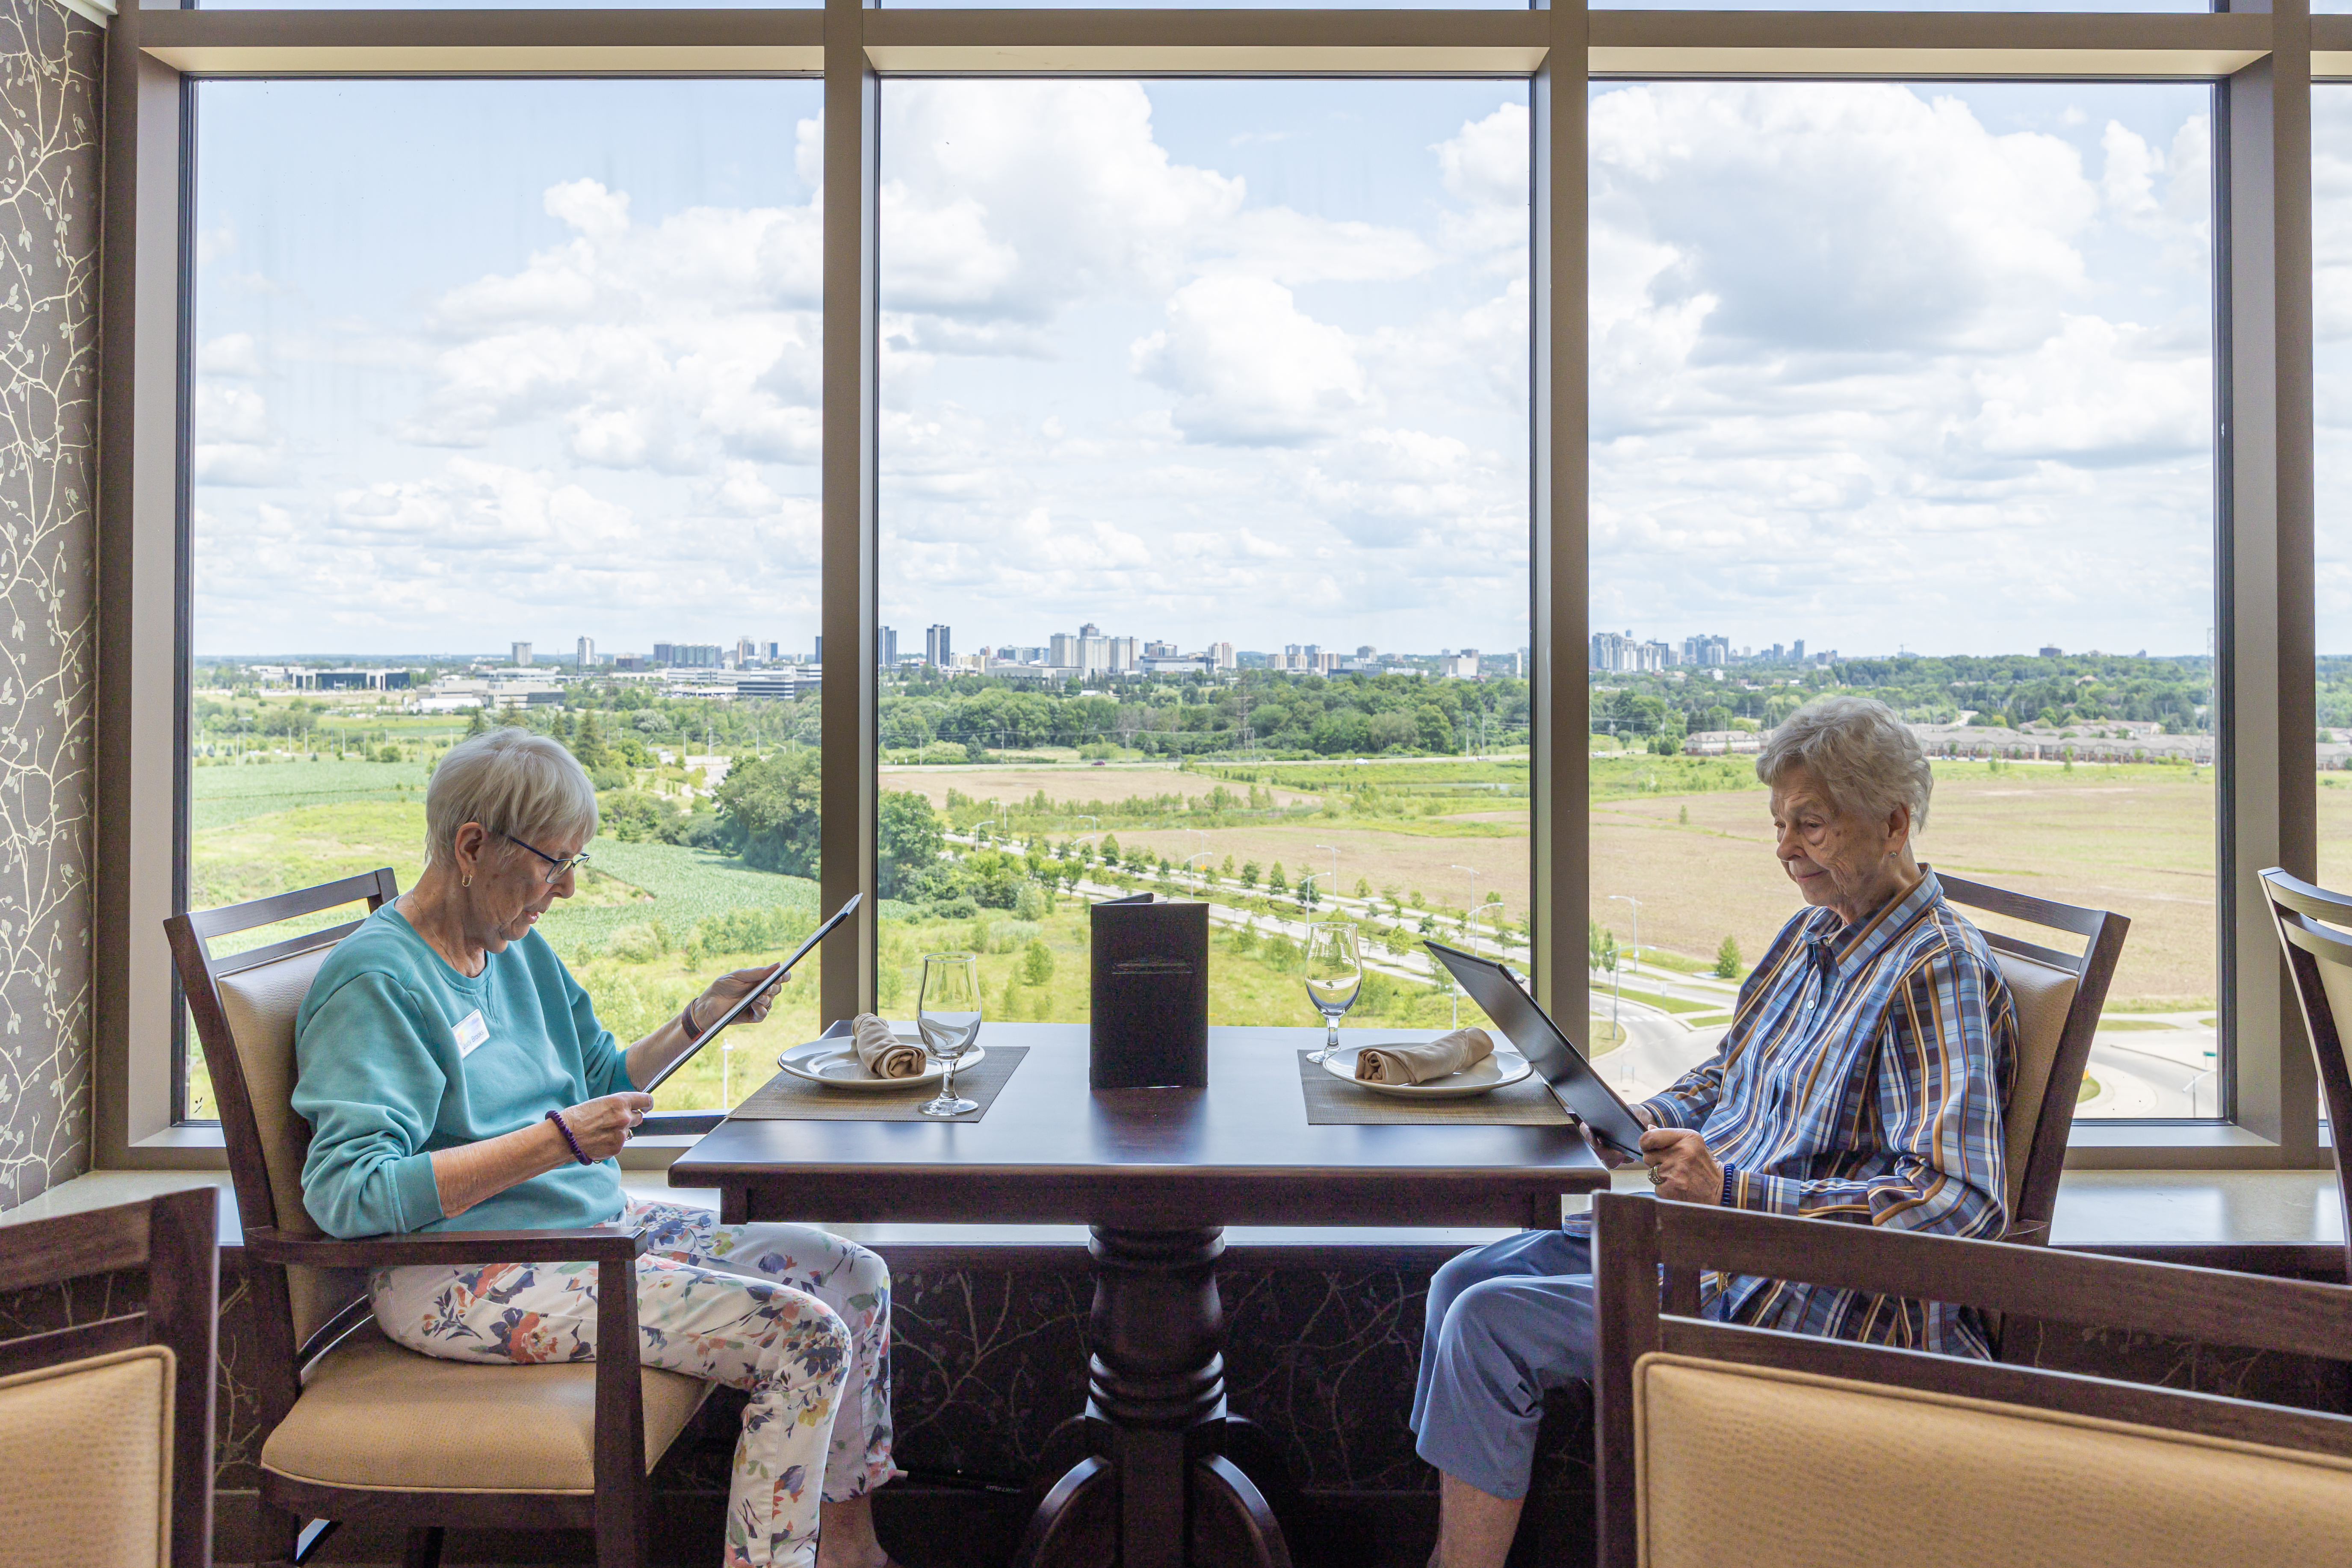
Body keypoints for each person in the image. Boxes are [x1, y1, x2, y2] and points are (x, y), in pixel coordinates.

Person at [1411, 695, 2018, 1568]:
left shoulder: (1937, 971)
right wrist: (1645, 1119)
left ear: (1891, 823)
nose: (1784, 849)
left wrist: (1731, 1190)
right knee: (1459, 1281)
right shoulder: (1810, 936)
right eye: (1778, 823)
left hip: (1806, 1299)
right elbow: (1729, 1075)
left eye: (1809, 825)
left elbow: (1956, 1204)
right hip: (1706, 1245)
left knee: (1484, 1321)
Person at [293, 727, 898, 1568]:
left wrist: (700, 1015)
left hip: (583, 1235)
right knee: (805, 1335)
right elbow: (349, 1194)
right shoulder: (379, 982)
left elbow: (601, 1076)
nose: (568, 887)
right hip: (465, 1273)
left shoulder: (515, 950)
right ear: (472, 847)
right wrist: (554, 1143)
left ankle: (848, 1549)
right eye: (553, 862)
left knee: (851, 1273)